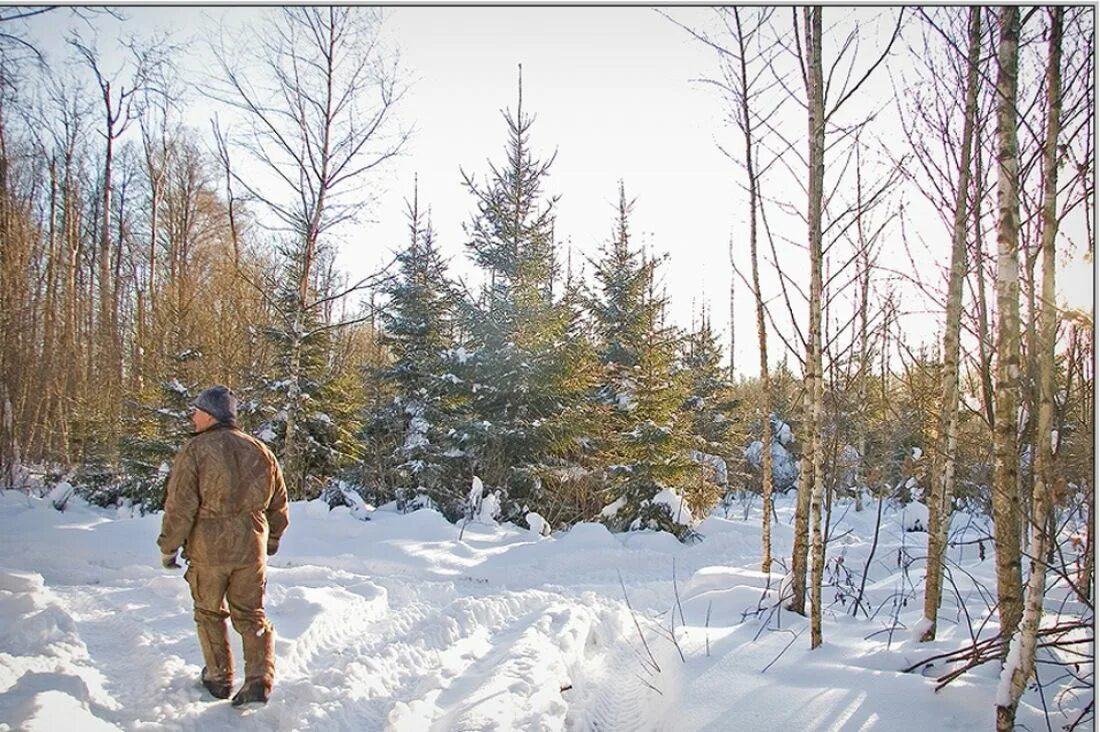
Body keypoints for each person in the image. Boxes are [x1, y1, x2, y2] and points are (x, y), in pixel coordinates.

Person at [157, 385, 289, 707]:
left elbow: (180, 505)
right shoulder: (260, 450)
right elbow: (279, 503)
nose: (193, 416)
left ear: (211, 414)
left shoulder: (195, 450)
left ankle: (219, 677)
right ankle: (259, 679)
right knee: (251, 614)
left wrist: (168, 546)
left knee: (208, 612)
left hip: (209, 549)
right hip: (250, 547)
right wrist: (271, 540)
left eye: (197, 411)